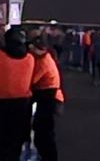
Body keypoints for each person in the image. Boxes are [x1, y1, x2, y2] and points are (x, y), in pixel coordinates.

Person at [0, 27, 36, 161]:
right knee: (16, 143)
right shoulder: (30, 59)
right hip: (23, 105)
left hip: (2, 105)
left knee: (0, 143)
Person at [30, 33, 65, 161]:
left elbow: (33, 80)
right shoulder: (46, 58)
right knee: (43, 129)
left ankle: (49, 158)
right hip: (50, 96)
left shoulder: (44, 62)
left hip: (49, 97)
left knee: (43, 131)